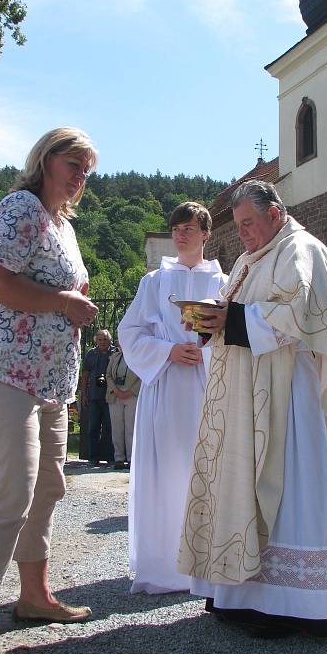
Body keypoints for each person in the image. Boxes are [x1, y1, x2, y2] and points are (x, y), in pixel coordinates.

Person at [178, 180, 327, 638]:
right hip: (246, 396)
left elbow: (298, 315)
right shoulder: (249, 260)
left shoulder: (300, 249)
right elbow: (236, 314)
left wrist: (232, 320)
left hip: (291, 399)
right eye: (239, 225)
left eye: (249, 223)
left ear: (275, 213)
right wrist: (210, 319)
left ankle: (293, 606)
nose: (243, 233)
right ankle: (241, 596)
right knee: (242, 488)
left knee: (291, 490)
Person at [0, 127, 99, 654]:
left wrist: (69, 301)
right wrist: (63, 303)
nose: (81, 173)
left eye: (87, 167)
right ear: (45, 159)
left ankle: (34, 598)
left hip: (48, 381)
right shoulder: (21, 207)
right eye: (73, 161)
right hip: (3, 372)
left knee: (48, 488)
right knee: (10, 489)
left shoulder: (63, 225)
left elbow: (55, 290)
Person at [118, 201, 227, 594]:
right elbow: (129, 332)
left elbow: (233, 336)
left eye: (189, 228)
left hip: (207, 388)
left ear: (205, 234)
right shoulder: (153, 281)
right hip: (165, 387)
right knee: (165, 473)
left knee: (208, 469)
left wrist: (206, 353)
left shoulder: (224, 282)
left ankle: (209, 562)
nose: (181, 234)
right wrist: (167, 351)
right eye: (176, 228)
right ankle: (164, 565)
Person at [81, 329, 116, 466]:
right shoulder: (91, 353)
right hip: (94, 396)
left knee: (109, 427)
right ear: (96, 340)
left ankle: (109, 456)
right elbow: (85, 375)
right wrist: (83, 394)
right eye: (100, 339)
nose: (103, 342)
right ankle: (93, 457)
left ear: (110, 340)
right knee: (93, 428)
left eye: (105, 339)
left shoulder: (116, 353)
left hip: (111, 396)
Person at [106, 346, 140, 469]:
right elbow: (108, 375)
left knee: (130, 427)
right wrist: (116, 390)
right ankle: (119, 458)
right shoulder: (115, 357)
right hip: (116, 395)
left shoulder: (138, 355)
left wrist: (130, 392)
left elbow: (142, 375)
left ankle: (131, 459)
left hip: (132, 395)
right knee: (117, 428)